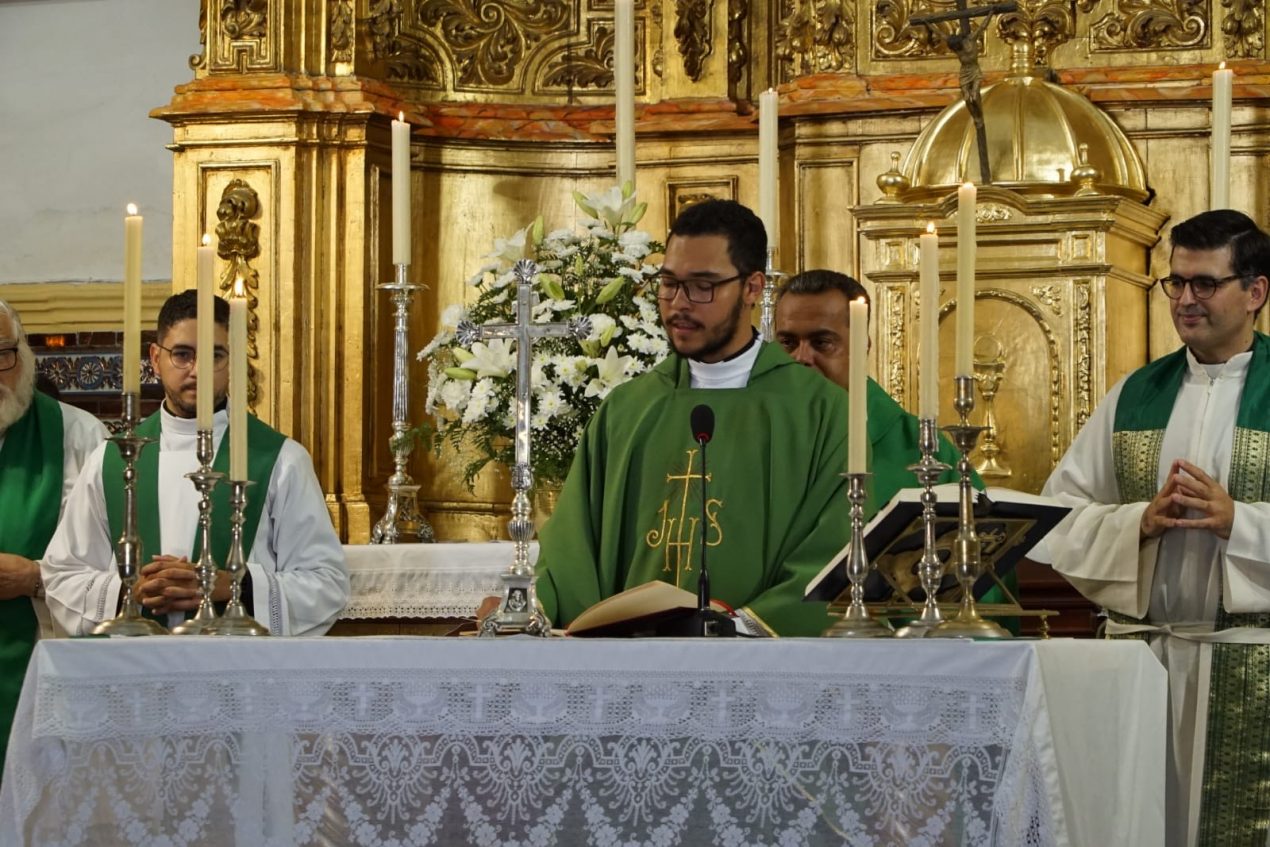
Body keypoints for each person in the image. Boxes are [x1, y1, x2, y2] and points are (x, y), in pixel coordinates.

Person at [1036, 209, 1270, 846]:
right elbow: (1057, 517)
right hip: (1143, 664)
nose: (1186, 300)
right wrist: (1138, 522)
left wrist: (1239, 522)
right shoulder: (1135, 394)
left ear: (1255, 292)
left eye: (1205, 284)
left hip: (1250, 664)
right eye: (1176, 284)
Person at [534, 199, 854, 637]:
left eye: (702, 286)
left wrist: (745, 626)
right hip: (630, 668)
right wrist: (532, 604)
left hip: (757, 669)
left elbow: (836, 546)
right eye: (669, 284)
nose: (679, 304)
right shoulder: (627, 409)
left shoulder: (821, 411)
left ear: (752, 288)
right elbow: (572, 544)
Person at [43, 290, 349, 637]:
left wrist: (233, 586)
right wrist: (130, 592)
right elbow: (62, 575)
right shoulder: (111, 460)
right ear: (155, 359)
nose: (197, 371)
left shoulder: (280, 460)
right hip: (137, 671)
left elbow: (326, 584)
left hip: (239, 675)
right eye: (183, 355)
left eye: (215, 355)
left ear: (233, 362)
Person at [774, 270, 1018, 623]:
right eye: (787, 342)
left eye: (821, 342)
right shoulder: (752, 439)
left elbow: (978, 575)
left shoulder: (924, 453)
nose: (801, 358)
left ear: (863, 346)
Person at [0, 301, 107, 771]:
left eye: (2, 353)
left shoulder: (80, 437)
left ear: (24, 355)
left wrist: (40, 579)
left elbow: (123, 573)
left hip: (46, 672)